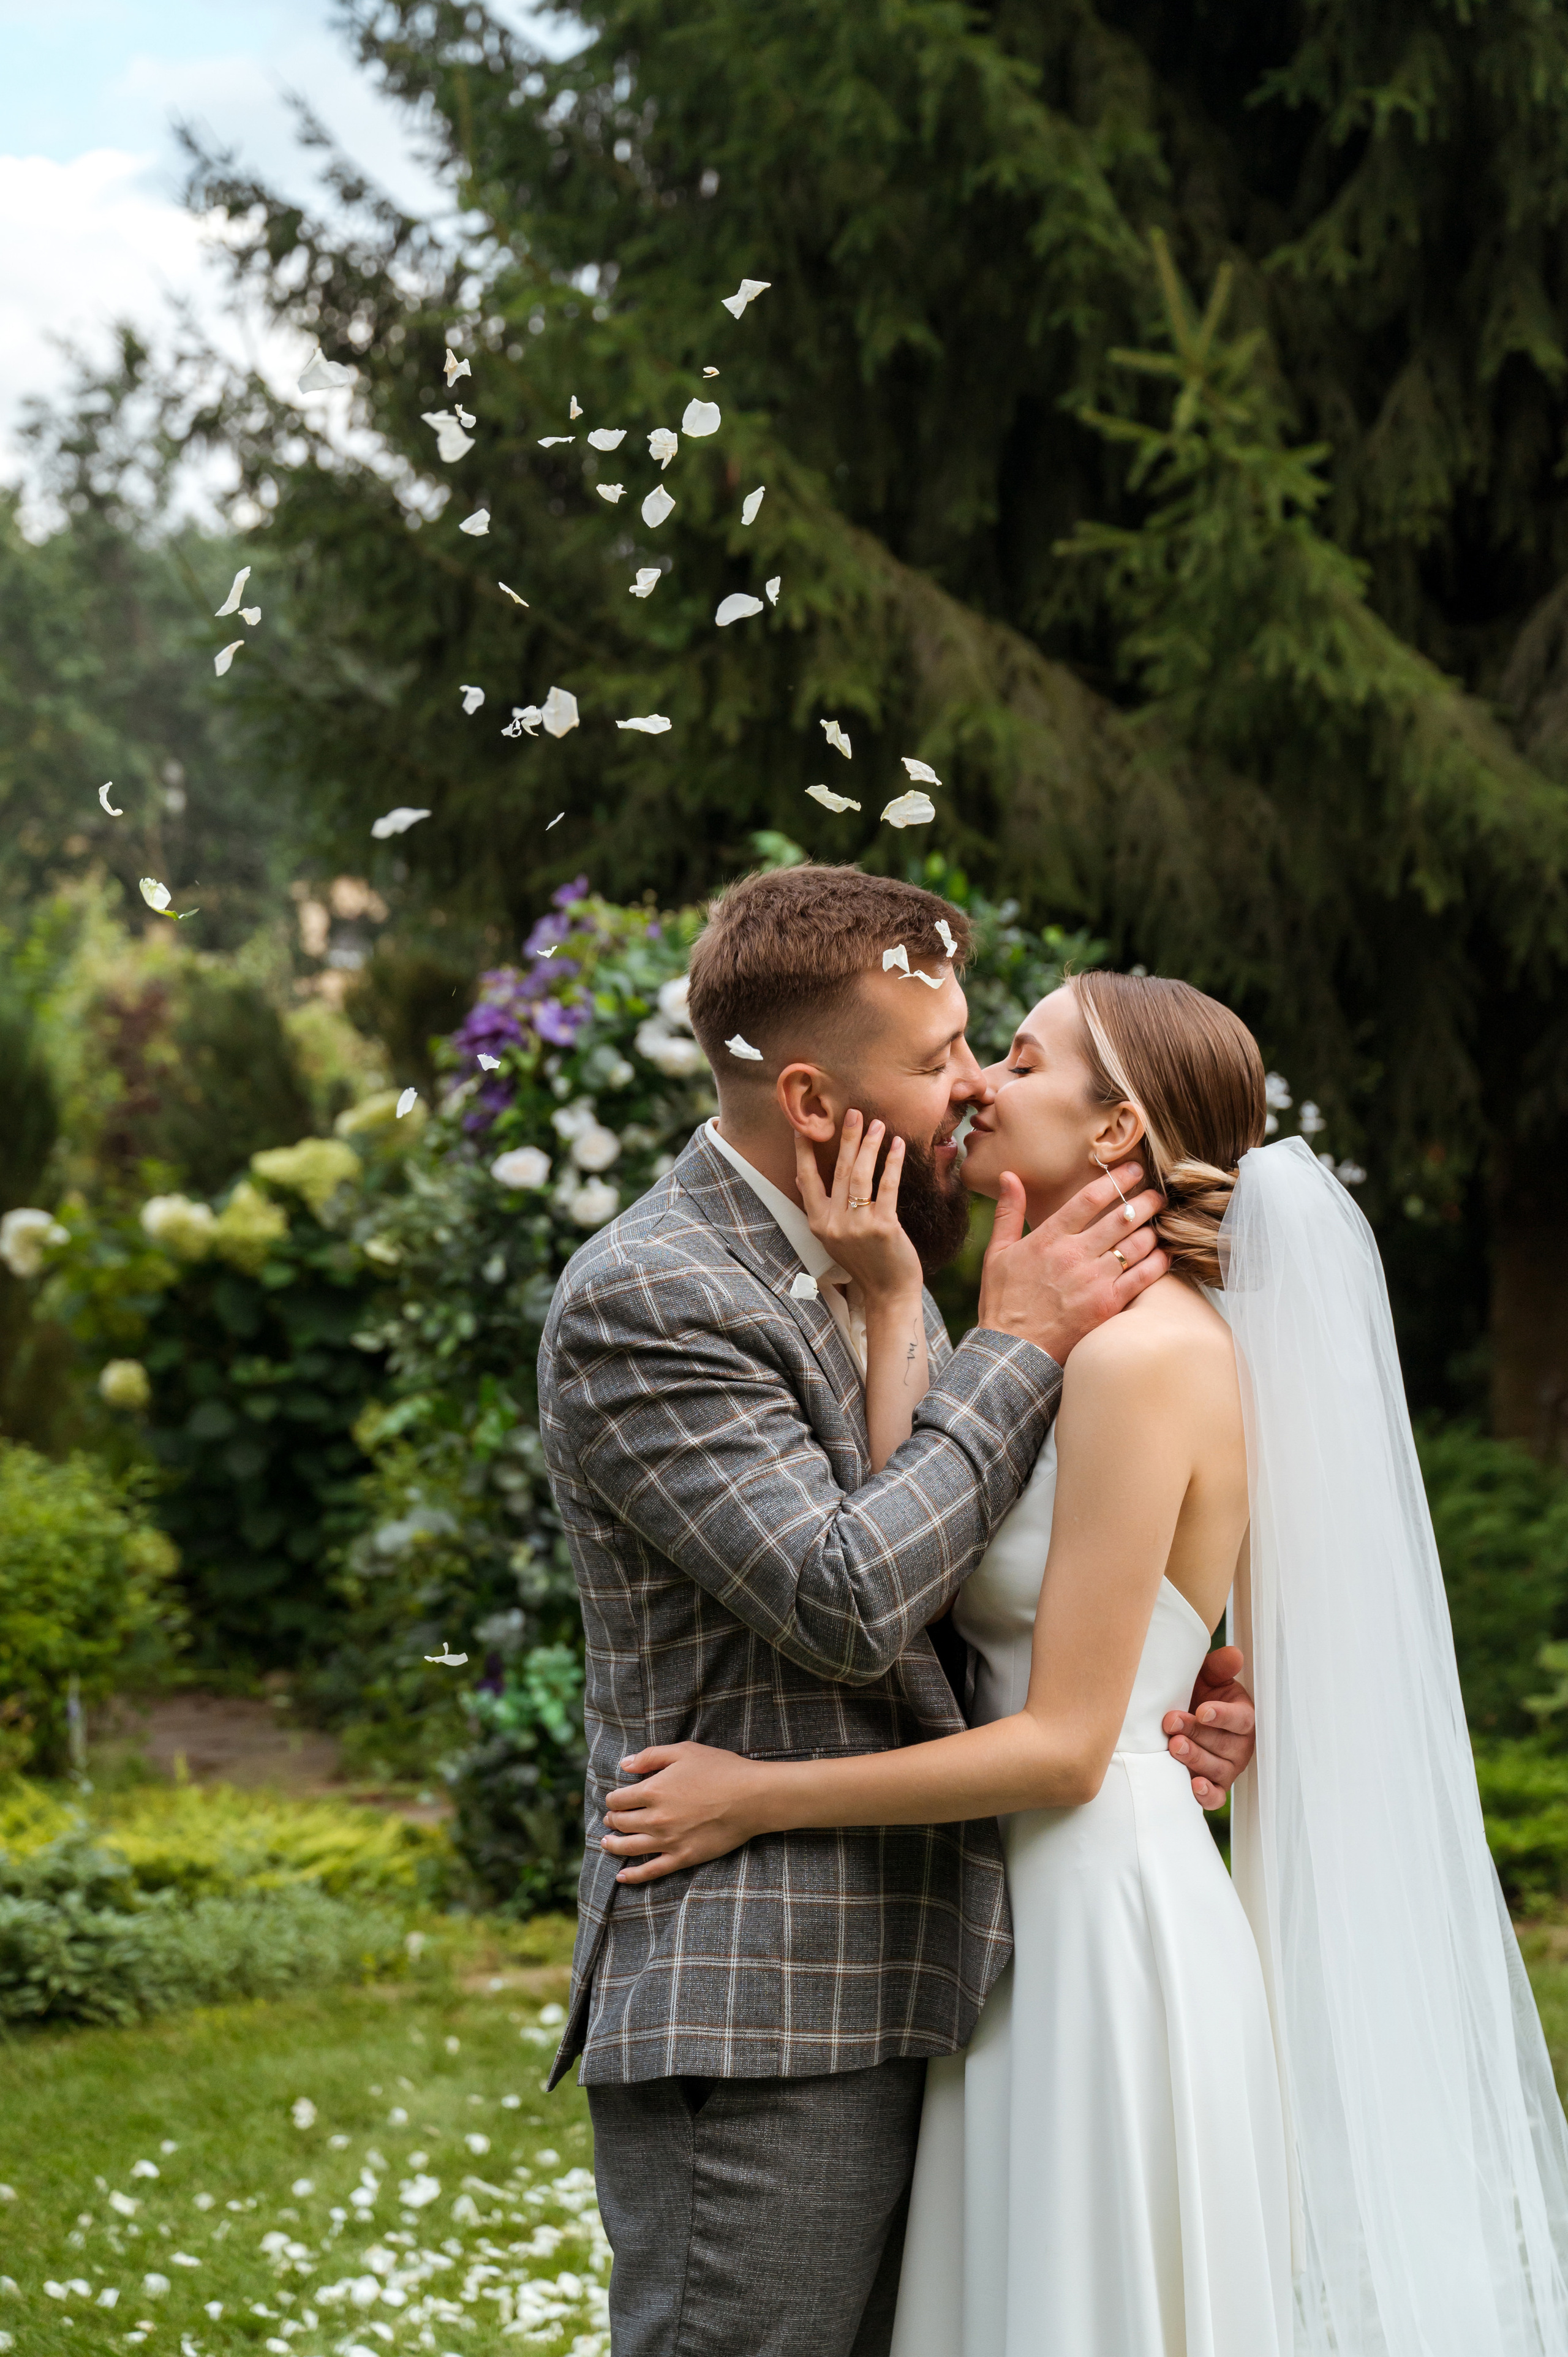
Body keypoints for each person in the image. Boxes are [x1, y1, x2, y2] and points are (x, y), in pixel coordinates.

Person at [600, 968, 1568, 2356]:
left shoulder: (1143, 1361)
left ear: (1114, 1134)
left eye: (1022, 1057)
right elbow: (906, 1562)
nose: (981, 1081)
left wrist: (754, 1793)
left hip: (1097, 1925)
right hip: (1012, 1924)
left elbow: (1064, 1746)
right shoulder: (1055, 1342)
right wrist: (894, 1306)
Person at [535, 868, 1256, 2357]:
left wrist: (1166, 1676)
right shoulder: (650, 1297)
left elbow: (953, 1560)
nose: (969, 1085)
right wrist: (1009, 1336)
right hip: (764, 1994)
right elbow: (850, 1595)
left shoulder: (890, 1266)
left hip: (951, 1957)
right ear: (811, 1097)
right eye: (936, 1061)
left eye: (986, 1048)